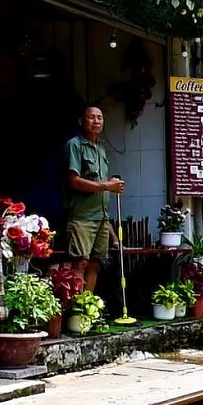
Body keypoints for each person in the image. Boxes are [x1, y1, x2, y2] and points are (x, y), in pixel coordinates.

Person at [64, 105, 124, 293]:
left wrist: (111, 183)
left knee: (95, 264)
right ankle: (76, 312)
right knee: (80, 262)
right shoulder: (74, 145)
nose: (96, 121)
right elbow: (73, 181)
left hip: (101, 216)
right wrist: (106, 186)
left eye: (100, 117)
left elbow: (100, 182)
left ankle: (87, 308)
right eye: (91, 117)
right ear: (82, 121)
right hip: (82, 216)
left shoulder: (101, 149)